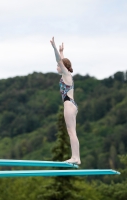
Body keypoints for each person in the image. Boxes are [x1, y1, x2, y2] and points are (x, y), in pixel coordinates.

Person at [50, 37, 81, 165]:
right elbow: (62, 61)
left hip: (68, 104)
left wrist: (55, 49)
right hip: (71, 104)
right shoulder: (68, 74)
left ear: (63, 66)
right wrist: (62, 52)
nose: (57, 67)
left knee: (71, 132)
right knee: (71, 131)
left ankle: (76, 157)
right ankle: (76, 157)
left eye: (59, 66)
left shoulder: (66, 74)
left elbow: (59, 60)